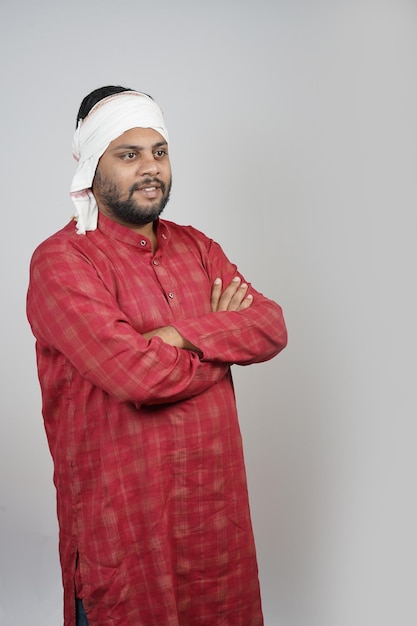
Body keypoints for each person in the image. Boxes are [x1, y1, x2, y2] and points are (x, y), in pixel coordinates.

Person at [26, 85, 287, 626]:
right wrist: (219, 335)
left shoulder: (196, 247)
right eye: (129, 154)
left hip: (215, 528)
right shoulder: (61, 262)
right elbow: (137, 375)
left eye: (159, 152)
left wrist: (176, 335)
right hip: (124, 533)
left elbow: (270, 325)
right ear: (92, 167)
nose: (151, 168)